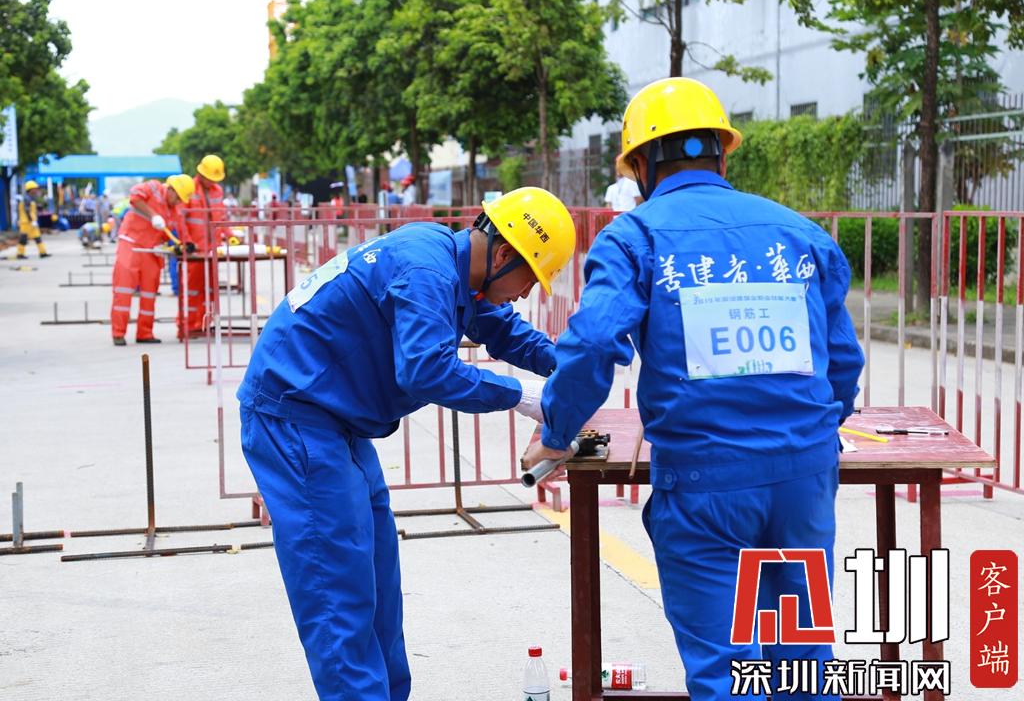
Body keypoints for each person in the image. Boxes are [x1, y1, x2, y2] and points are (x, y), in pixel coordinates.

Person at [523, 78, 864, 701]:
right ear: (722, 155)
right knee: (804, 662)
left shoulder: (636, 237)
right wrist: (811, 434)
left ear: (642, 166)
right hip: (804, 479)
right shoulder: (801, 234)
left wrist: (557, 430)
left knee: (726, 670)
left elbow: (594, 344)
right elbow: (842, 361)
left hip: (707, 484)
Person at [237, 187, 576, 701]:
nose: (526, 293)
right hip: (296, 419)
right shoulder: (427, 269)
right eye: (529, 278)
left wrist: (572, 368)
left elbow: (505, 331)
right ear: (504, 255)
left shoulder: (456, 269)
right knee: (338, 595)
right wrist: (523, 396)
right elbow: (426, 371)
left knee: (376, 586)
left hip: (336, 421)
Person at [110, 175, 195, 346]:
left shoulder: (174, 210)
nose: (178, 202)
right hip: (131, 244)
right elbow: (135, 198)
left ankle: (145, 333)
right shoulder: (153, 187)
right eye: (178, 198)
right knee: (124, 290)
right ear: (171, 189)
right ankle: (118, 333)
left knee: (149, 293)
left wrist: (187, 244)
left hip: (152, 250)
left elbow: (179, 231)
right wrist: (154, 215)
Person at [178, 154, 227, 339]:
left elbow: (221, 218)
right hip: (196, 251)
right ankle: (187, 326)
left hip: (213, 250)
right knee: (192, 290)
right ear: (201, 174)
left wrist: (229, 236)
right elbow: (181, 220)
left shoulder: (217, 191)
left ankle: (204, 325)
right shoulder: (189, 188)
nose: (212, 182)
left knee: (210, 290)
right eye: (210, 178)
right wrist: (188, 242)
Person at [15, 180, 50, 259]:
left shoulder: (31, 198)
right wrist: (32, 220)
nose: (36, 190)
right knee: (23, 238)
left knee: (37, 237)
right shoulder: (26, 198)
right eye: (35, 188)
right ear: (30, 189)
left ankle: (43, 252)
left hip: (31, 222)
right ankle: (20, 254)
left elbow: (32, 208)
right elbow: (27, 210)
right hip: (26, 222)